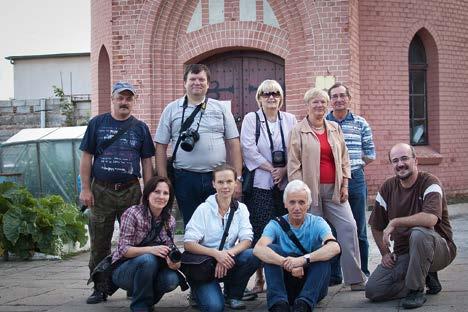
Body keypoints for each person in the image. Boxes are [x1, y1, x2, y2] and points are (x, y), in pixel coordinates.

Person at [80, 81, 155, 304]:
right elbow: (86, 158)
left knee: (136, 241)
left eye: (128, 98)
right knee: (100, 242)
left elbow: (147, 162)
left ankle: (133, 284)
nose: (124, 102)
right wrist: (85, 188)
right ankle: (100, 287)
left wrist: (148, 192)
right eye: (120, 98)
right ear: (112, 100)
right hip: (100, 190)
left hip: (131, 190)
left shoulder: (141, 128)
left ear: (134, 101)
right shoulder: (96, 124)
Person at [287, 87, 366, 290]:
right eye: (315, 101)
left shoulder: (334, 128)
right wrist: (300, 194)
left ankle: (355, 278)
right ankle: (316, 282)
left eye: (323, 101)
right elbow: (294, 165)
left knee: (349, 227)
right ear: (308, 105)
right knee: (314, 235)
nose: (320, 105)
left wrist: (345, 184)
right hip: (310, 191)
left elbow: (344, 158)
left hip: (335, 189)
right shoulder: (298, 130)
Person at [366, 143, 457, 309]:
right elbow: (376, 225)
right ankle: (425, 276)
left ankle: (416, 290)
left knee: (419, 233)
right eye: (395, 161)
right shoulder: (388, 187)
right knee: (374, 290)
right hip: (406, 253)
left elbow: (430, 219)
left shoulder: (430, 182)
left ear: (416, 160)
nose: (400, 164)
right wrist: (385, 253)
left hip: (439, 249)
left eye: (404, 158)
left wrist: (395, 221)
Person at [154, 64, 243, 227]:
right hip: (184, 178)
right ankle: (195, 253)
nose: (197, 82)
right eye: (192, 79)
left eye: (201, 79)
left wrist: (237, 179)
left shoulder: (220, 108)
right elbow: (160, 146)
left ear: (208, 84)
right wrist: (163, 180)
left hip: (217, 178)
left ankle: (218, 253)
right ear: (184, 83)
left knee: (220, 223)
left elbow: (234, 143)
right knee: (191, 224)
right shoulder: (171, 109)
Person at [240, 79, 297, 293]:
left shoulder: (290, 119)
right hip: (261, 184)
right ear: (259, 98)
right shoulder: (251, 119)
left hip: (286, 184)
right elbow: (248, 148)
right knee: (261, 230)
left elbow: (295, 147)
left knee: (286, 230)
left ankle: (287, 275)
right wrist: (271, 168)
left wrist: (283, 171)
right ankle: (260, 278)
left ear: (281, 98)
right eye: (266, 94)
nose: (271, 97)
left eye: (275, 93)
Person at [253, 180, 341, 312]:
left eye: (301, 202)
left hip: (313, 285)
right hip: (286, 283)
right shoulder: (275, 224)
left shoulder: (317, 222)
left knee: (323, 253)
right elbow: (258, 249)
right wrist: (287, 263)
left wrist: (303, 260)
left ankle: (304, 304)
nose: (297, 207)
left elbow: (335, 247)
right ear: (285, 204)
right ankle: (278, 303)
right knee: (271, 250)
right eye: (292, 202)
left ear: (308, 204)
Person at [183, 164, 261, 311]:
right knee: (214, 307)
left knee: (252, 255)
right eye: (220, 182)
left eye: (229, 181)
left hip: (227, 259)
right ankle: (197, 291)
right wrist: (217, 254)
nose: (225, 186)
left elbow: (247, 239)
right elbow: (188, 243)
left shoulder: (241, 209)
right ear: (213, 184)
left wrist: (227, 254)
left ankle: (233, 295)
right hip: (204, 265)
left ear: (235, 183)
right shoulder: (204, 209)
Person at [326, 83, 376, 284]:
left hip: (355, 179)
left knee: (358, 228)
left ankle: (362, 271)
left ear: (349, 98)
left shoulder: (360, 123)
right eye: (335, 96)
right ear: (331, 100)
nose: (338, 99)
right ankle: (334, 275)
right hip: (328, 181)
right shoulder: (323, 121)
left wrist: (350, 167)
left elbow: (370, 153)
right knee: (330, 230)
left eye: (342, 96)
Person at [111, 176, 184, 312]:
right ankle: (140, 307)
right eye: (156, 192)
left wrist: (174, 262)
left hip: (152, 268)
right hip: (123, 270)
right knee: (147, 259)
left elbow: (169, 247)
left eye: (165, 193)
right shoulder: (132, 214)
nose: (161, 196)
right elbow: (123, 250)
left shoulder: (170, 220)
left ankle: (146, 300)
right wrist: (151, 249)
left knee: (171, 279)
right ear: (148, 193)